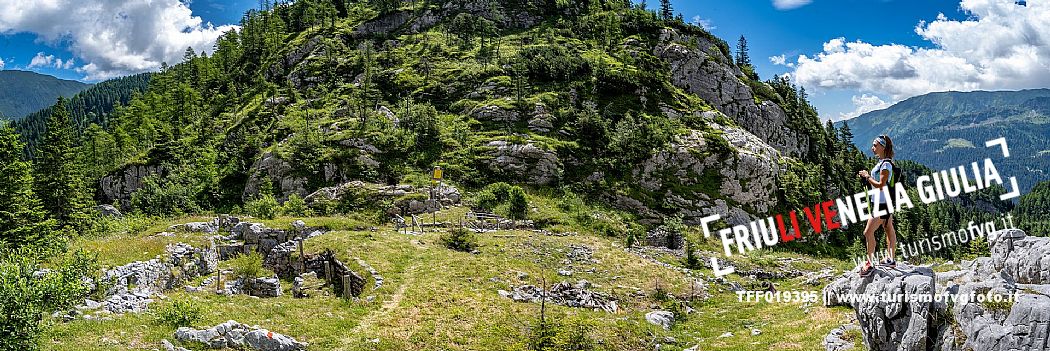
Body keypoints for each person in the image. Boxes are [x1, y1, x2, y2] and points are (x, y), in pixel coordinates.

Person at [856, 134, 898, 276]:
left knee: (868, 232)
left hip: (882, 204)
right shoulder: (882, 162)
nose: (872, 148)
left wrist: (867, 176)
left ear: (883, 147)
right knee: (888, 229)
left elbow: (880, 185)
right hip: (883, 202)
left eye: (875, 145)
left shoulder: (885, 165)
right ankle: (890, 259)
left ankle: (869, 263)